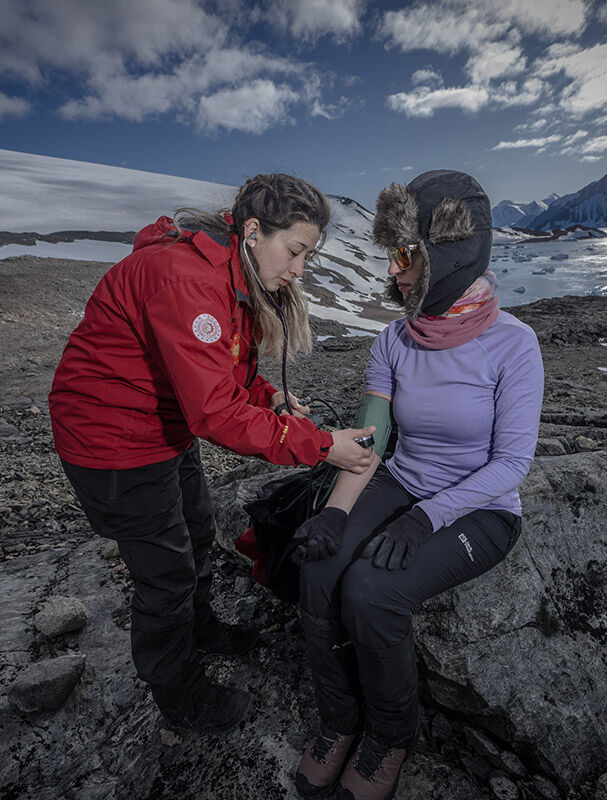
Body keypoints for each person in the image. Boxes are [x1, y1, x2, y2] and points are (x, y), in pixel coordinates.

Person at [49, 173, 377, 736]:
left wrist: (269, 396)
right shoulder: (186, 280)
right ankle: (178, 695)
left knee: (197, 532)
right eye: (295, 251)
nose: (298, 270)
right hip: (113, 444)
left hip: (159, 429)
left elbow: (217, 376)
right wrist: (323, 447)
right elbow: (215, 414)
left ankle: (200, 632)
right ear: (253, 231)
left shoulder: (228, 272)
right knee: (166, 575)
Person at [290, 170, 544, 800]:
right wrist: (337, 513)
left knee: (373, 593)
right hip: (402, 483)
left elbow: (511, 466)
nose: (396, 273)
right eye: (393, 256)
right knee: (320, 569)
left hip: (480, 509)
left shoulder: (514, 345)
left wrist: (426, 518)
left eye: (407, 256)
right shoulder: (394, 340)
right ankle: (338, 720)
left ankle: (391, 735)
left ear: (447, 256)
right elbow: (371, 439)